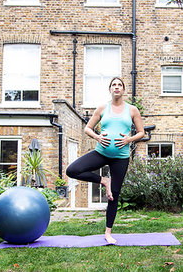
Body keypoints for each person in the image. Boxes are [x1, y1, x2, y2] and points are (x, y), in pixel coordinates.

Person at [66, 77, 144, 244]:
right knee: (72, 170)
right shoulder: (102, 108)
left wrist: (129, 140)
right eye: (114, 85)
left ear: (123, 90)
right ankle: (103, 180)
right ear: (110, 89)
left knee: (114, 195)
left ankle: (108, 232)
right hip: (101, 152)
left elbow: (141, 132)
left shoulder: (132, 110)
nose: (117, 87)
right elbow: (87, 127)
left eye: (119, 85)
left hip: (121, 158)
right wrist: (98, 137)